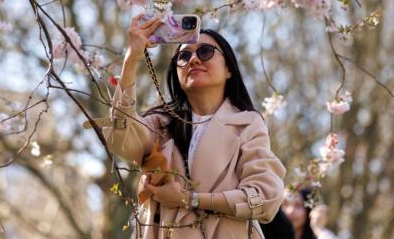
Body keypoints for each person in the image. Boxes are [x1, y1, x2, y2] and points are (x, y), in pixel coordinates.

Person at [97, 14, 286, 239]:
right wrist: (131, 59)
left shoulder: (247, 124)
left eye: (205, 52)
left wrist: (189, 199)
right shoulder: (161, 124)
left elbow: (266, 198)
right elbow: (120, 139)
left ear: (229, 69)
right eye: (184, 56)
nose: (194, 59)